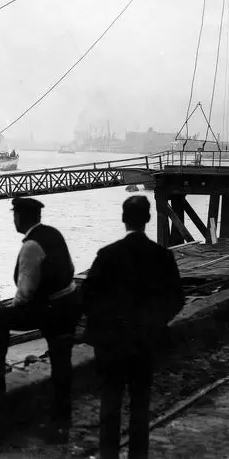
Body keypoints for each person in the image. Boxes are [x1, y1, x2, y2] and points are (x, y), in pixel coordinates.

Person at [0, 196, 82, 443]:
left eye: (14, 215)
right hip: (68, 304)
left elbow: (26, 292)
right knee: (61, 362)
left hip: (49, 309)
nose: (13, 219)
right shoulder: (53, 234)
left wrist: (13, 304)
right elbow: (66, 269)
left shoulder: (31, 246)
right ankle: (61, 424)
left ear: (20, 217)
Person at [81, 196, 184, 459]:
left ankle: (109, 455)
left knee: (110, 403)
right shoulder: (162, 256)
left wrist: (102, 328)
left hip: (112, 344)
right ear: (148, 219)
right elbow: (177, 299)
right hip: (144, 342)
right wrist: (155, 322)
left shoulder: (107, 255)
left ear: (124, 219)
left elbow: (88, 297)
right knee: (140, 405)